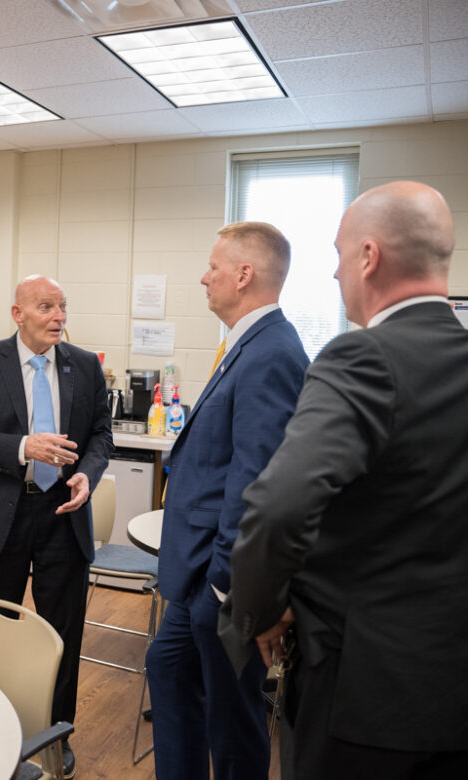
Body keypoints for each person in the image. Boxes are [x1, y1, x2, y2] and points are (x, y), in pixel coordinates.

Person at [218, 181, 468, 780]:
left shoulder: (360, 358)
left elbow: (277, 508)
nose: (336, 275)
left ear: (368, 257)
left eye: (340, 256)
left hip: (363, 700)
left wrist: (259, 614)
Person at [148, 222, 309, 780]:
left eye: (213, 267)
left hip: (220, 582)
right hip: (199, 574)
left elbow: (258, 480)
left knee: (234, 721)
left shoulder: (271, 353)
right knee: (167, 670)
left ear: (244, 275)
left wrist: (223, 583)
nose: (203, 276)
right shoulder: (246, 344)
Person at [0, 275, 113, 779]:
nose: (60, 316)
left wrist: (88, 470)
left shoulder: (85, 366)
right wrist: (24, 447)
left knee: (62, 632)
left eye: (63, 306)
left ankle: (57, 731)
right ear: (18, 313)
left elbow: (101, 435)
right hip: (3, 511)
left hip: (63, 512)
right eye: (47, 307)